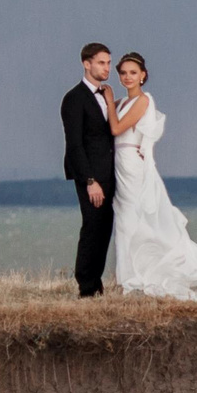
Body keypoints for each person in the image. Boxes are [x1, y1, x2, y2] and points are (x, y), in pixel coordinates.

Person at [102, 52, 197, 301]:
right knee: (125, 220)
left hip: (132, 166)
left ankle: (138, 277)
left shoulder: (142, 101)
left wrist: (108, 101)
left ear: (143, 76)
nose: (128, 77)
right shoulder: (121, 103)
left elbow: (117, 128)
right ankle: (128, 276)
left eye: (133, 73)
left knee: (136, 218)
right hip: (118, 163)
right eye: (124, 73)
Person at [60, 43, 117, 297]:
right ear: (87, 63)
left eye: (108, 63)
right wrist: (90, 180)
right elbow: (74, 144)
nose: (107, 68)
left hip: (110, 173)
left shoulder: (106, 95)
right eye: (101, 63)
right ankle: (86, 286)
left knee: (104, 228)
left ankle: (96, 282)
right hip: (91, 176)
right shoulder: (74, 98)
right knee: (92, 227)